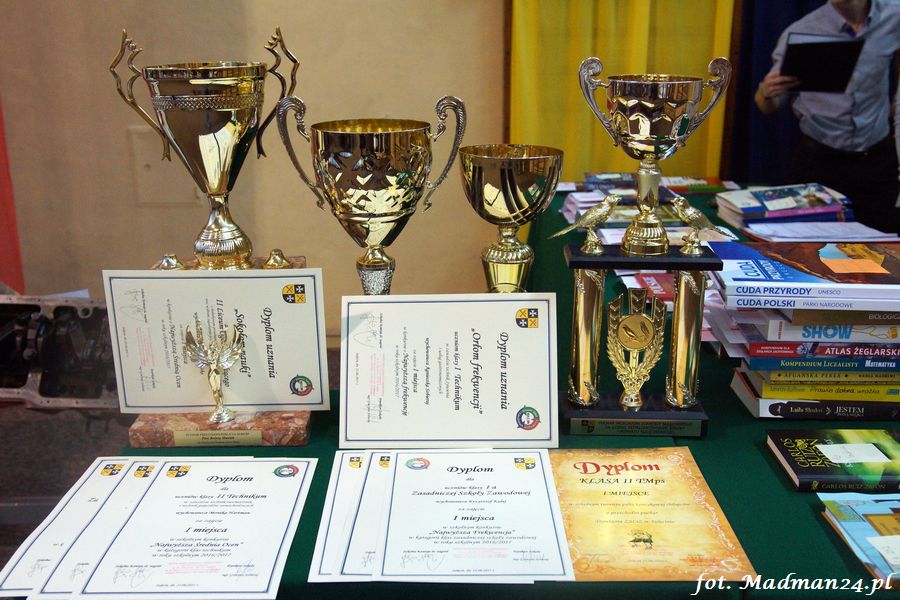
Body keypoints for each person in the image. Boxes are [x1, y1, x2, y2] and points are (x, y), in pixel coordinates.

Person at [754, 0, 900, 232]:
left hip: (877, 162)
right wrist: (766, 92)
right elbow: (767, 105)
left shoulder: (893, 16)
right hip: (820, 163)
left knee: (884, 244)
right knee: (810, 244)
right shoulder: (801, 32)